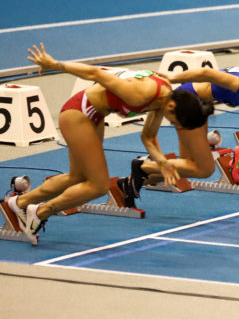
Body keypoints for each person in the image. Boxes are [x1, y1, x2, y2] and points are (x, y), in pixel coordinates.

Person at [7, 43, 214, 242]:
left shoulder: (164, 98)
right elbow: (95, 73)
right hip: (78, 113)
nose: (172, 124)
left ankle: (20, 202)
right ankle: (40, 212)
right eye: (175, 122)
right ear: (172, 107)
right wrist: (55, 65)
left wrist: (163, 163)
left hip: (94, 114)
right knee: (99, 186)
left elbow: (148, 137)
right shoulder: (141, 93)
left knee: (77, 177)